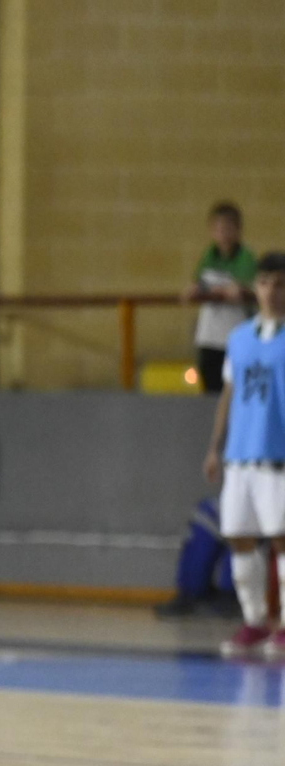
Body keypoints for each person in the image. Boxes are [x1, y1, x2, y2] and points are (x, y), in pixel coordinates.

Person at [202, 251, 285, 657]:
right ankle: (254, 620)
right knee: (237, 535)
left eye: (281, 284)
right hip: (240, 457)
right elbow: (229, 397)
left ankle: (283, 625)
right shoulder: (239, 339)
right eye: (266, 283)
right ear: (256, 288)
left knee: (281, 540)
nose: (272, 292)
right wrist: (215, 447)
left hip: (278, 459)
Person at [184, 202, 257, 394]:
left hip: (235, 333)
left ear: (238, 230)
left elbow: (243, 287)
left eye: (227, 228)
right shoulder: (209, 255)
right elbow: (198, 283)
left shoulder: (245, 257)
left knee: (233, 386)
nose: (222, 233)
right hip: (209, 335)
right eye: (217, 228)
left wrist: (220, 290)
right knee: (209, 383)